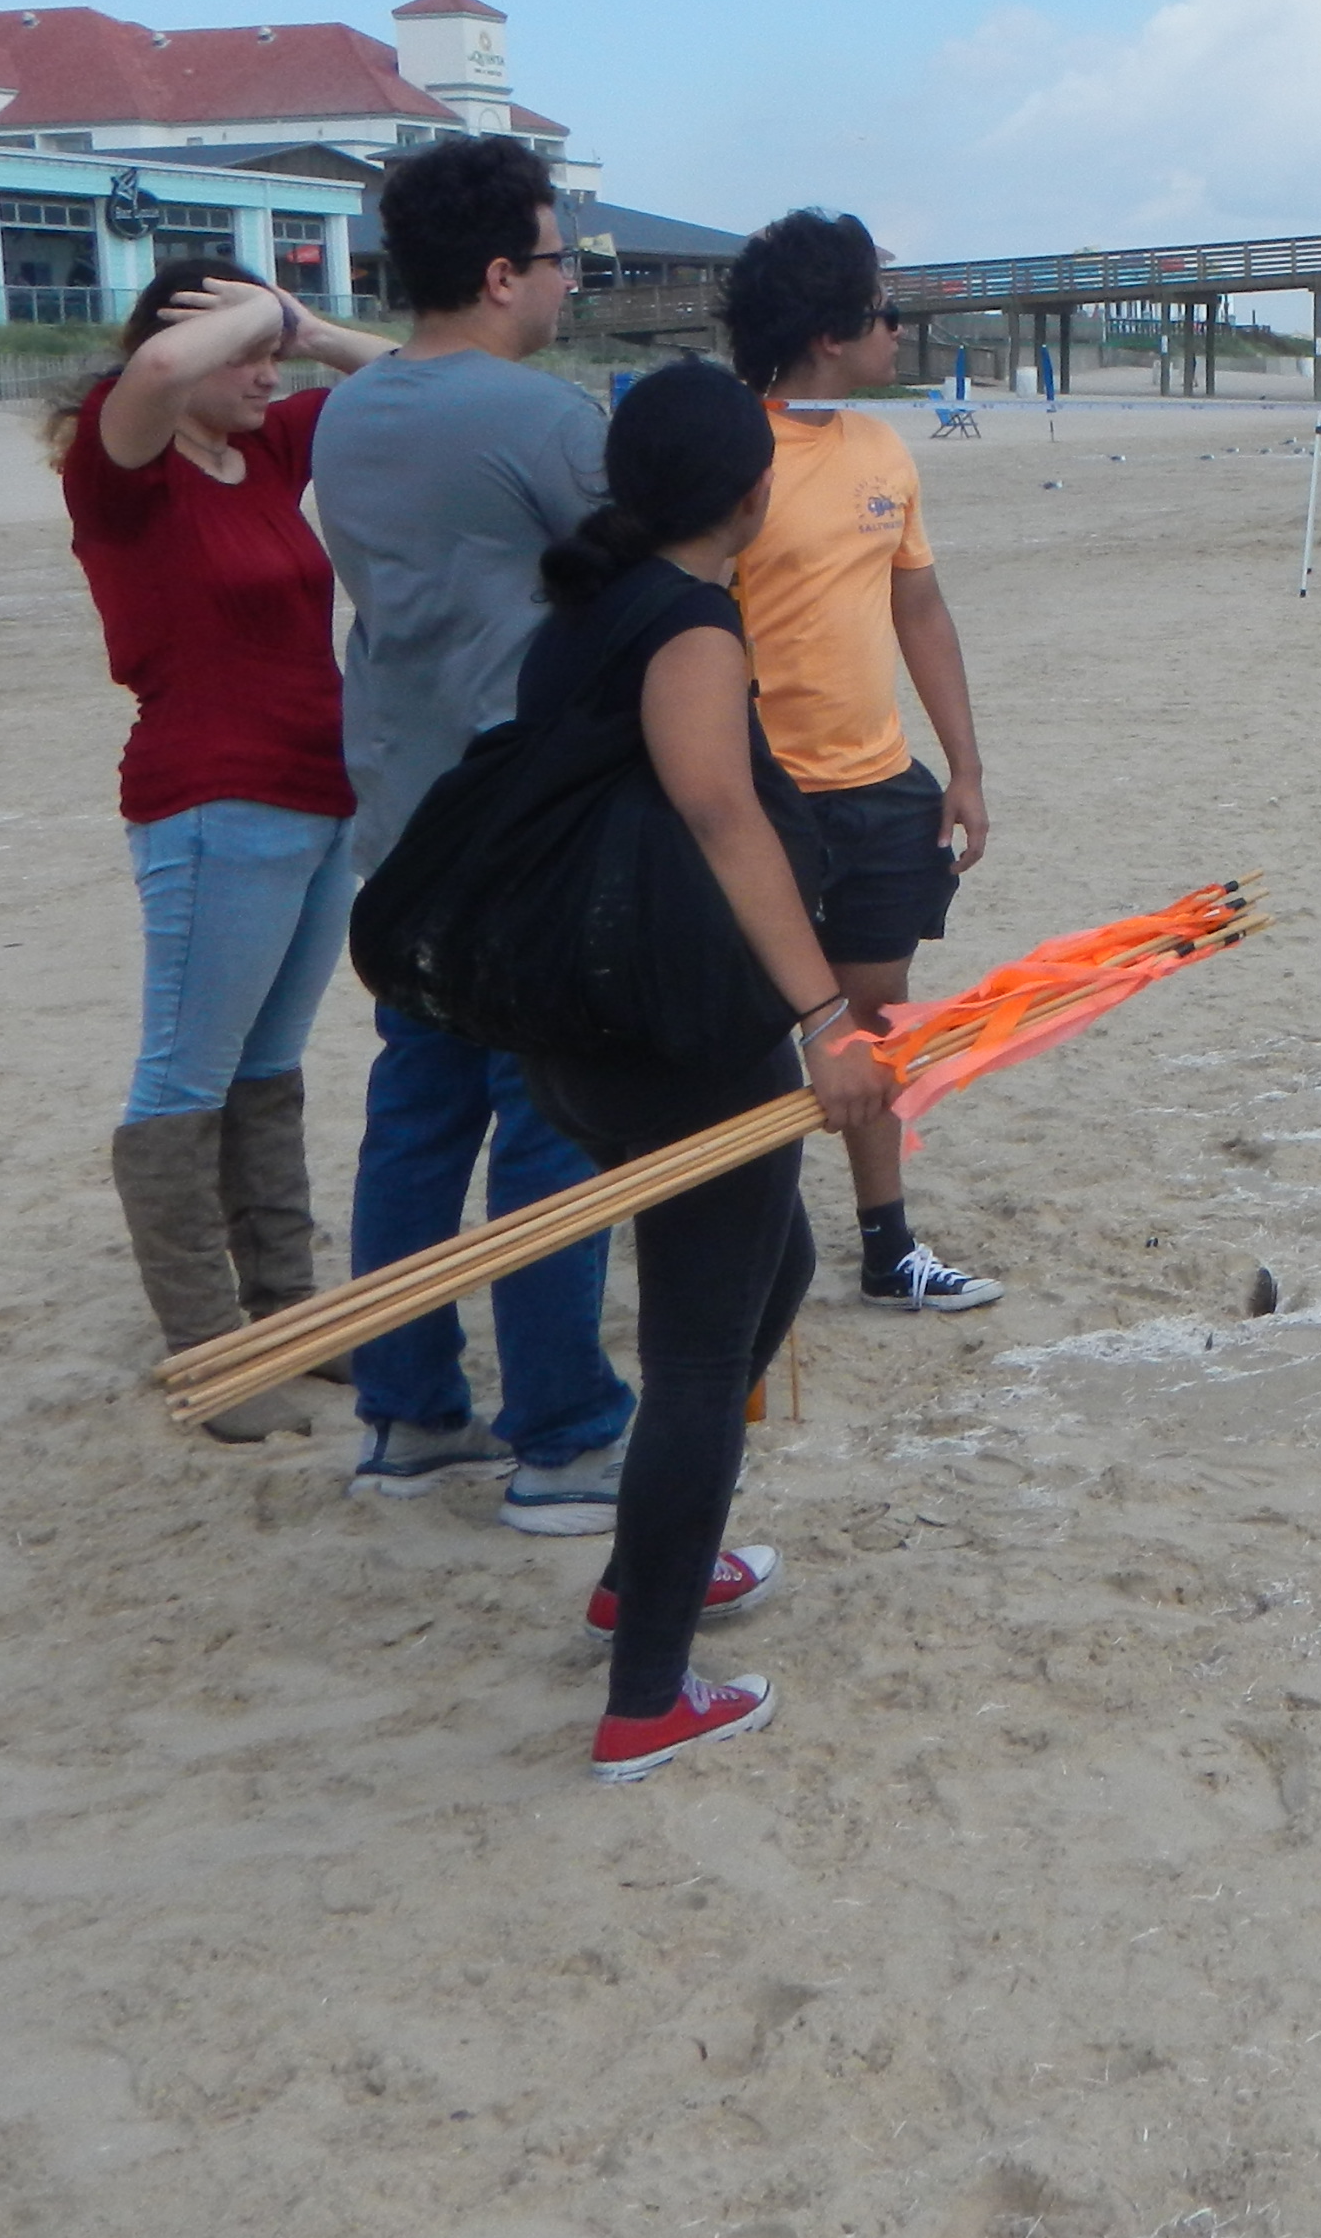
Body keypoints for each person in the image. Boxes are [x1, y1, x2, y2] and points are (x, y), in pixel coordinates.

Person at [510, 361, 893, 1777]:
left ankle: (640, 1576)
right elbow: (723, 817)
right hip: (673, 1031)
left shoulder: (588, 608)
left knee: (767, 1274)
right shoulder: (685, 626)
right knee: (693, 1353)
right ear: (752, 494)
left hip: (585, 1025)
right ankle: (646, 1694)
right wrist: (824, 1018)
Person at [311, 134, 639, 1527]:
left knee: (416, 1118)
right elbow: (639, 567)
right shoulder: (540, 416)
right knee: (550, 1121)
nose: (568, 283)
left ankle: (409, 1412)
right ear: (504, 273)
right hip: (522, 824)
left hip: (402, 816)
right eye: (559, 259)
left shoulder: (350, 416)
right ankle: (561, 1437)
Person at [59, 262, 396, 1440]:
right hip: (212, 798)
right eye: (242, 352)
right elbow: (152, 372)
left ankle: (284, 1317)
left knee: (270, 1069)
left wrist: (302, 330)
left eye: (269, 354)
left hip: (318, 796)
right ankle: (211, 1356)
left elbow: (408, 384)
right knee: (184, 1077)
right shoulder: (121, 465)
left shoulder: (263, 449)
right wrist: (240, 328)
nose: (264, 373)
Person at [722, 212, 1006, 1313]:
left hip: (881, 789)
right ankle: (741, 1246)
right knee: (765, 1029)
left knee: (879, 1019)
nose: (901, 330)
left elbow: (919, 605)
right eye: (885, 312)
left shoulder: (884, 449)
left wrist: (964, 769)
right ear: (830, 331)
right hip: (759, 798)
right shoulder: (732, 455)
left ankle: (888, 1247)